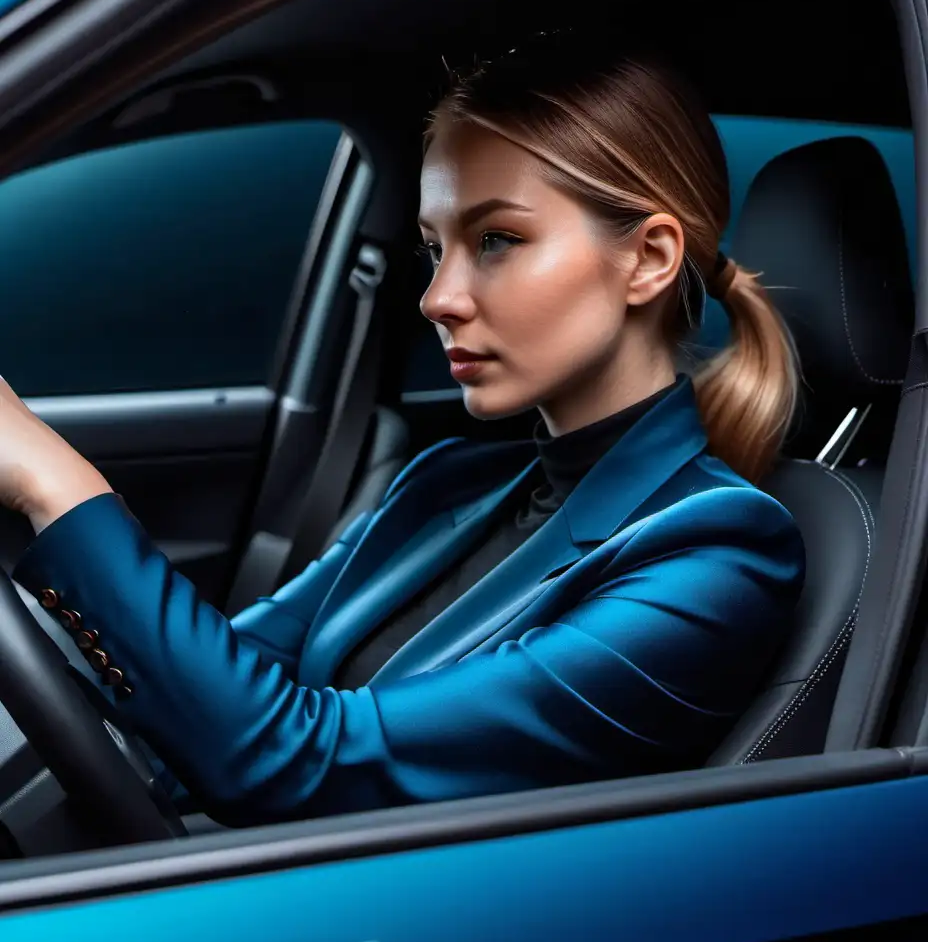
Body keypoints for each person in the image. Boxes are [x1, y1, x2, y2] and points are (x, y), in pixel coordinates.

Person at [0, 41, 805, 827]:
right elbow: (213, 681)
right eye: (433, 248)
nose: (437, 297)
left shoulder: (716, 556)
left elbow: (295, 759)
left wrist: (57, 486)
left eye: (496, 240)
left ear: (648, 259)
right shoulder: (444, 482)